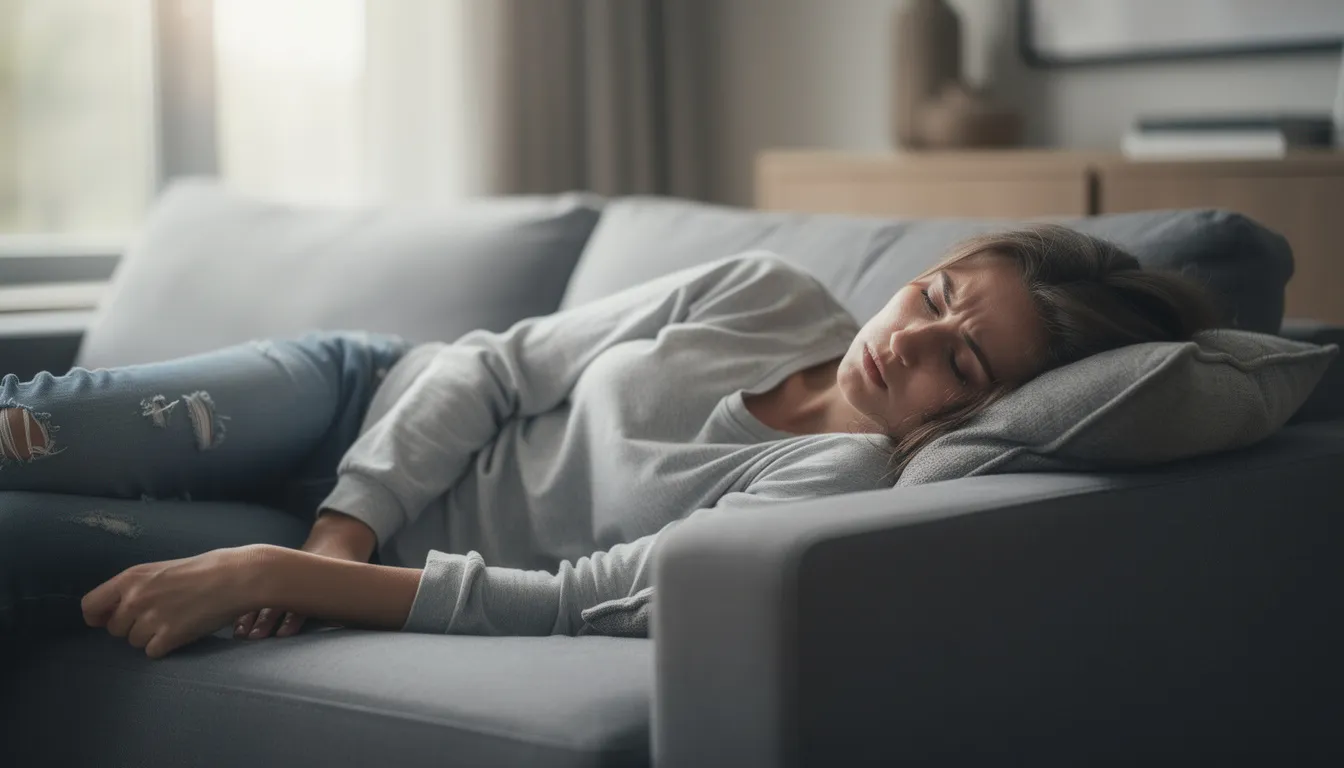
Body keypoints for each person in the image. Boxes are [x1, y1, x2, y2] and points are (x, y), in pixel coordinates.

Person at [0, 224, 1218, 659]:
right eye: (937, 296)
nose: (914, 339)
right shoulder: (770, 290)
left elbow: (576, 604)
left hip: (308, 546)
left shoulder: (829, 487)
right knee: (30, 432)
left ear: (990, 408)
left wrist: (293, 570)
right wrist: (340, 528)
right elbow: (496, 363)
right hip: (352, 397)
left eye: (966, 359)